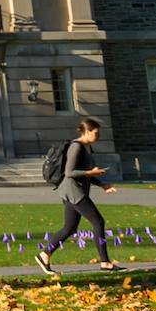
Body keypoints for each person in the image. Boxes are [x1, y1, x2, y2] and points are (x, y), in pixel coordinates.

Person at [36, 116, 119, 275]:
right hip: (73, 191)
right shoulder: (76, 147)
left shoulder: (87, 147)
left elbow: (86, 173)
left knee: (70, 228)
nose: (98, 136)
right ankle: (105, 262)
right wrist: (91, 172)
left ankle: (44, 255)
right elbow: (70, 172)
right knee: (98, 222)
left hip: (74, 191)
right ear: (87, 131)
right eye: (96, 133)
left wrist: (102, 184)